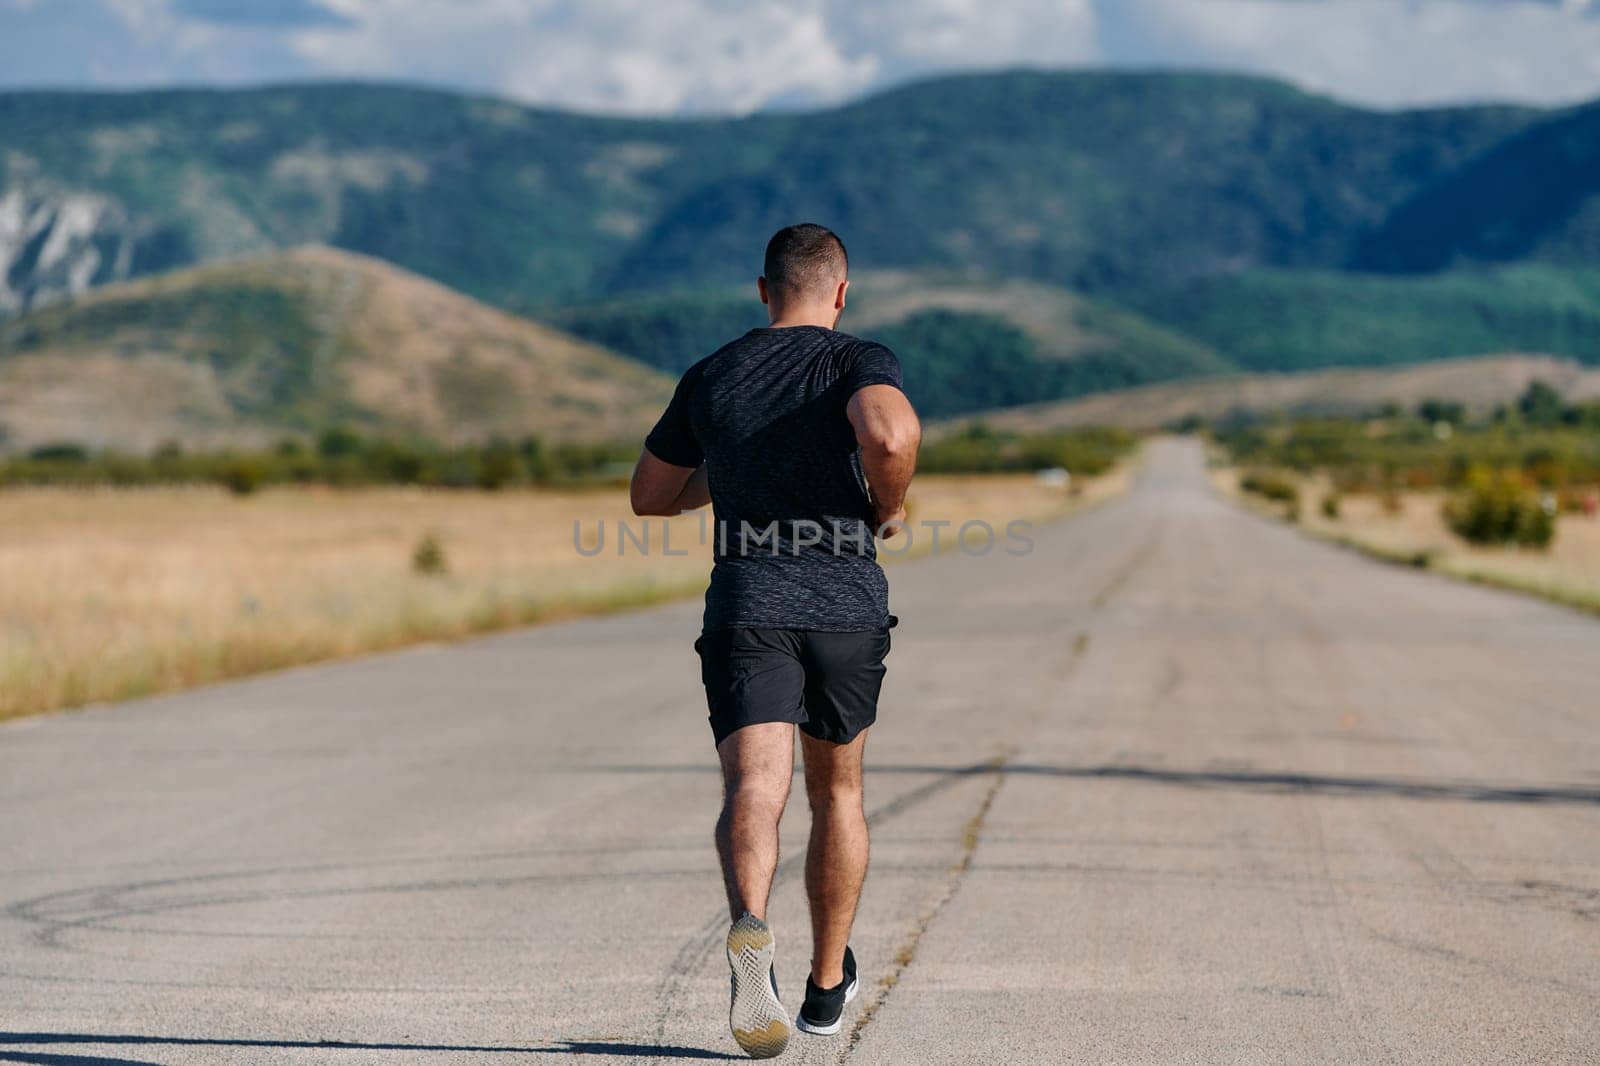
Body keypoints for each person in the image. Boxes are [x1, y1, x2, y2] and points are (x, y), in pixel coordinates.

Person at [630, 223, 921, 1058]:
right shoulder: (856, 359)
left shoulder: (714, 372)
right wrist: (889, 507)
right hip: (844, 604)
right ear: (840, 292)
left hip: (749, 600)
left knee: (755, 787)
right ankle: (826, 989)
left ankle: (750, 926)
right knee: (840, 795)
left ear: (762, 291)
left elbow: (651, 496)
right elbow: (890, 435)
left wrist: (736, 461)